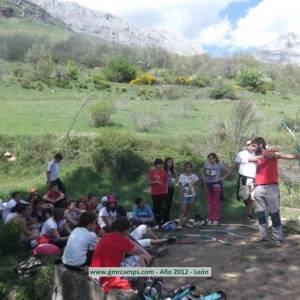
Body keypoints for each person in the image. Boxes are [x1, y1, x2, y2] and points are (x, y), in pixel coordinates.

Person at [249, 137, 300, 246]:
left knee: (274, 213)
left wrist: (297, 157)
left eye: (253, 145)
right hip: (258, 188)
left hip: (271, 187)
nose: (252, 148)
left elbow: (285, 155)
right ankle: (264, 237)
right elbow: (250, 159)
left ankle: (277, 238)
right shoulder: (258, 156)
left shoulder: (272, 153)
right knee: (261, 214)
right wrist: (264, 156)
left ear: (260, 144)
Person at [90, 217, 152, 289]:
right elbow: (139, 251)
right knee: (139, 258)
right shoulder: (122, 239)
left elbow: (121, 259)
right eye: (128, 230)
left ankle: (147, 279)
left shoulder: (105, 237)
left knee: (137, 258)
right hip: (107, 278)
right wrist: (146, 254)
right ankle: (148, 280)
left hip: (95, 276)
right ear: (125, 230)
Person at [202, 153, 230, 225]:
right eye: (209, 158)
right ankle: (210, 218)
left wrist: (222, 178)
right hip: (208, 184)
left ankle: (215, 218)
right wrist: (204, 178)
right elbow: (202, 170)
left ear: (215, 158)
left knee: (216, 202)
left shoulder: (219, 164)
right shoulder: (206, 164)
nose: (210, 160)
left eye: (211, 158)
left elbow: (228, 171)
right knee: (209, 202)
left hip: (216, 184)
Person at [235, 140, 257, 223]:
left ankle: (248, 214)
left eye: (252, 144)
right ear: (245, 145)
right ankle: (248, 211)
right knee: (244, 196)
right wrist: (241, 172)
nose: (250, 146)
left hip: (254, 178)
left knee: (252, 196)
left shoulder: (257, 153)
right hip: (244, 177)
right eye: (248, 144)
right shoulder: (241, 154)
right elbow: (237, 164)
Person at [178, 162, 199, 228]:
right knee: (182, 210)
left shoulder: (194, 176)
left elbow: (196, 182)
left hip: (192, 195)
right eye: (187, 167)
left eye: (190, 167)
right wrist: (180, 195)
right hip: (184, 195)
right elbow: (180, 186)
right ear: (184, 168)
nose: (188, 168)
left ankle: (186, 223)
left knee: (189, 210)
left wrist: (194, 189)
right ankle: (179, 225)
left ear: (191, 168)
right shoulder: (181, 176)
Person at [149, 158, 168, 225]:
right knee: (156, 208)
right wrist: (156, 182)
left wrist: (166, 190)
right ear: (155, 165)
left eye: (161, 164)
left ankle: (165, 221)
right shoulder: (152, 172)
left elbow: (166, 182)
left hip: (163, 192)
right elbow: (149, 182)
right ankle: (157, 221)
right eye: (158, 164)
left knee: (164, 207)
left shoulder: (163, 172)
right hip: (155, 193)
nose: (160, 166)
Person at [164, 157, 177, 222]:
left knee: (169, 203)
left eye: (171, 162)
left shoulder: (172, 170)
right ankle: (165, 218)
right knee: (166, 203)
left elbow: (176, 178)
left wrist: (174, 172)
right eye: (169, 162)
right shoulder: (164, 170)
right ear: (166, 162)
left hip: (172, 187)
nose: (170, 164)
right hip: (166, 188)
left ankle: (168, 217)